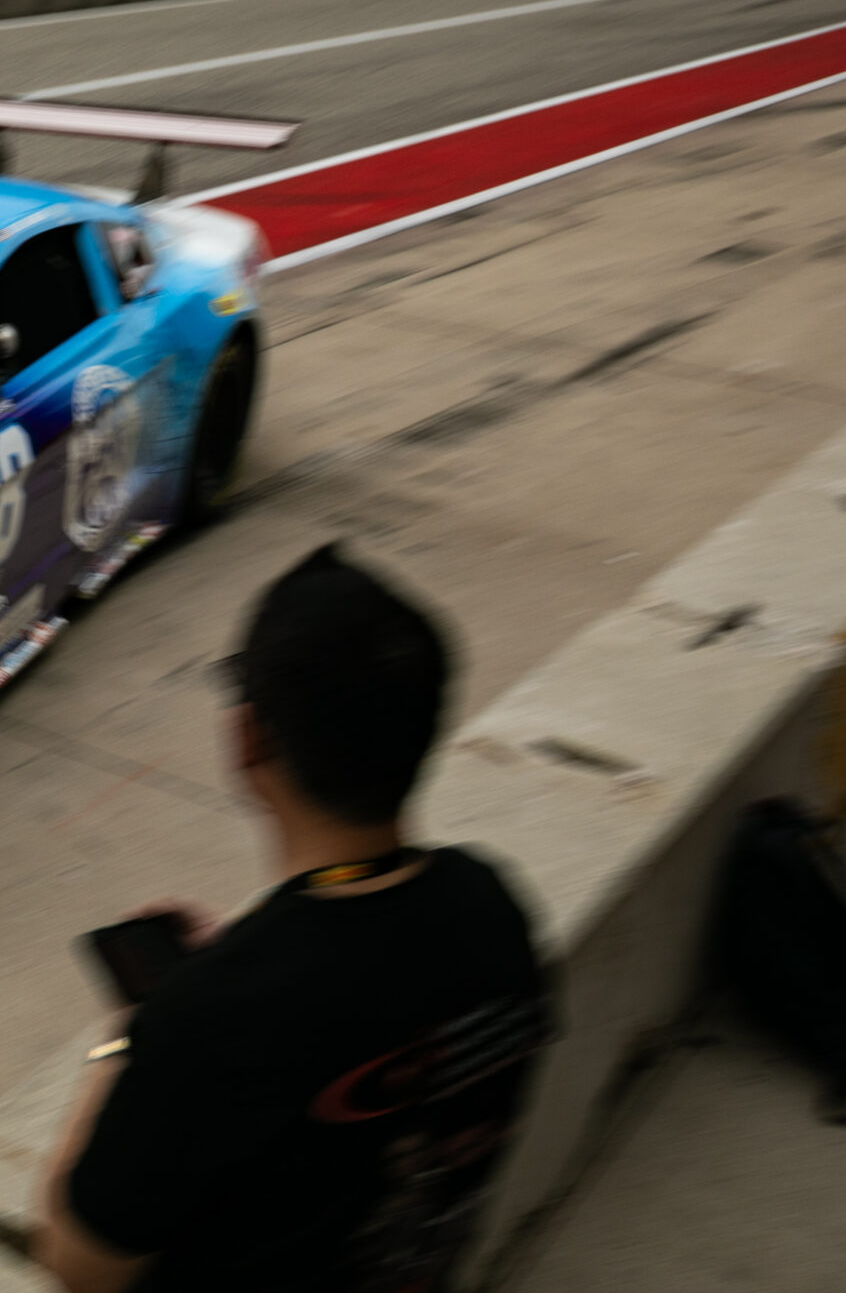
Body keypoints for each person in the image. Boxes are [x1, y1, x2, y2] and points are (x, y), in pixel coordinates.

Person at [31, 543, 551, 1293]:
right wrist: (241, 960)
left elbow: (76, 1261)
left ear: (247, 738)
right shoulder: (493, 904)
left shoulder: (202, 1026)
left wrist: (125, 1037)